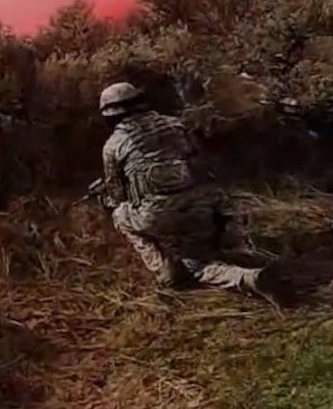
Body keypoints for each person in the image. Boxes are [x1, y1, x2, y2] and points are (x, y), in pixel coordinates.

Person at [97, 82, 274, 297]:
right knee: (209, 223)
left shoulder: (113, 146)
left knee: (122, 217)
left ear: (111, 114)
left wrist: (106, 200)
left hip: (160, 216)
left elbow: (117, 196)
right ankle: (234, 245)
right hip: (204, 206)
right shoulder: (176, 125)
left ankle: (242, 278)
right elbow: (202, 161)